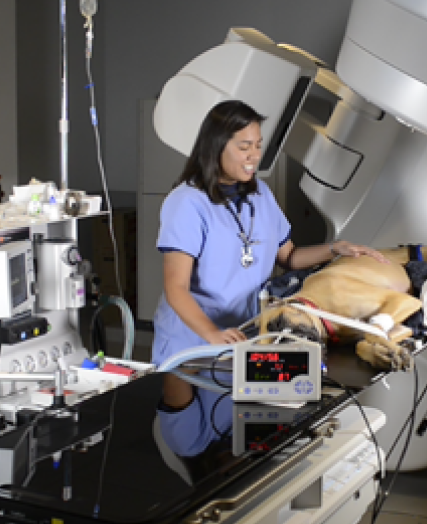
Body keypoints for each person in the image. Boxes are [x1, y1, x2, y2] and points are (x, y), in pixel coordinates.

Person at [153, 100, 385, 410]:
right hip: (192, 340)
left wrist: (335, 248)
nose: (254, 156)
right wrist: (211, 334)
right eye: (244, 146)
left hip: (246, 333)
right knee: (189, 427)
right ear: (216, 147)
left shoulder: (260, 195)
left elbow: (290, 257)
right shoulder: (187, 203)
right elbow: (175, 287)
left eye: (258, 146)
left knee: (241, 428)